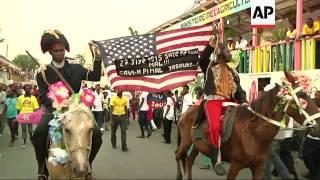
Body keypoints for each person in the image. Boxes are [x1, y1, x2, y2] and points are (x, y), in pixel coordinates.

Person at [32, 29, 102, 180]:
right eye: (56, 51)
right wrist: (56, 107)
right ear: (50, 52)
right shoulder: (42, 72)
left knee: (97, 135)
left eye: (62, 50)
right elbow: (42, 95)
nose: (59, 53)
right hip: (53, 110)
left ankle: (88, 165)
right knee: (39, 133)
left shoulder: (76, 68)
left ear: (65, 50)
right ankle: (42, 169)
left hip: (75, 109)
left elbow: (95, 76)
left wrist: (97, 57)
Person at [194, 32, 247, 174]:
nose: (223, 58)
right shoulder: (210, 67)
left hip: (230, 102)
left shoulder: (232, 73)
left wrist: (244, 103)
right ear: (218, 56)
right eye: (221, 56)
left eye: (225, 57)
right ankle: (217, 160)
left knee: (245, 121)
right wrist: (210, 46)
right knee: (216, 127)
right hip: (213, 102)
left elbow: (239, 91)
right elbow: (202, 59)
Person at [16, 84, 39, 149]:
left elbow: (35, 108)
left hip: (30, 116)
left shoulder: (33, 98)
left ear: (30, 89)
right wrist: (18, 116)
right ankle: (24, 141)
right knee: (23, 129)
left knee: (30, 130)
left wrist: (35, 116)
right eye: (26, 88)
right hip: (22, 115)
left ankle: (31, 138)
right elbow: (18, 108)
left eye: (29, 88)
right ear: (24, 89)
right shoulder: (20, 98)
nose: (27, 89)